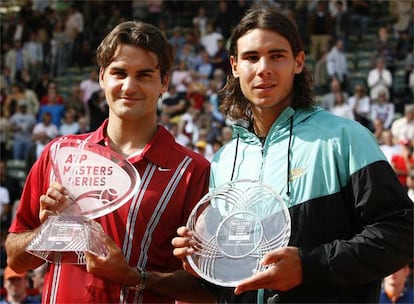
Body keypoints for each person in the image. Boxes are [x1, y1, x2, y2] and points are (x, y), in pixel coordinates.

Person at [172, 4, 414, 303]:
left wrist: (309, 265)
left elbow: (401, 233)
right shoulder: (223, 161)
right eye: (251, 58)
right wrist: (204, 263)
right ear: (234, 66)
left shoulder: (344, 138)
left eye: (277, 56)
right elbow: (234, 277)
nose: (264, 69)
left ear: (298, 61)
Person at [5, 21, 215, 304]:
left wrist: (133, 276)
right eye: (119, 73)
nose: (129, 86)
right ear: (102, 76)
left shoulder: (192, 172)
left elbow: (205, 289)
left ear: (164, 81)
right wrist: (48, 233)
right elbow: (16, 260)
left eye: (144, 75)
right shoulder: (59, 154)